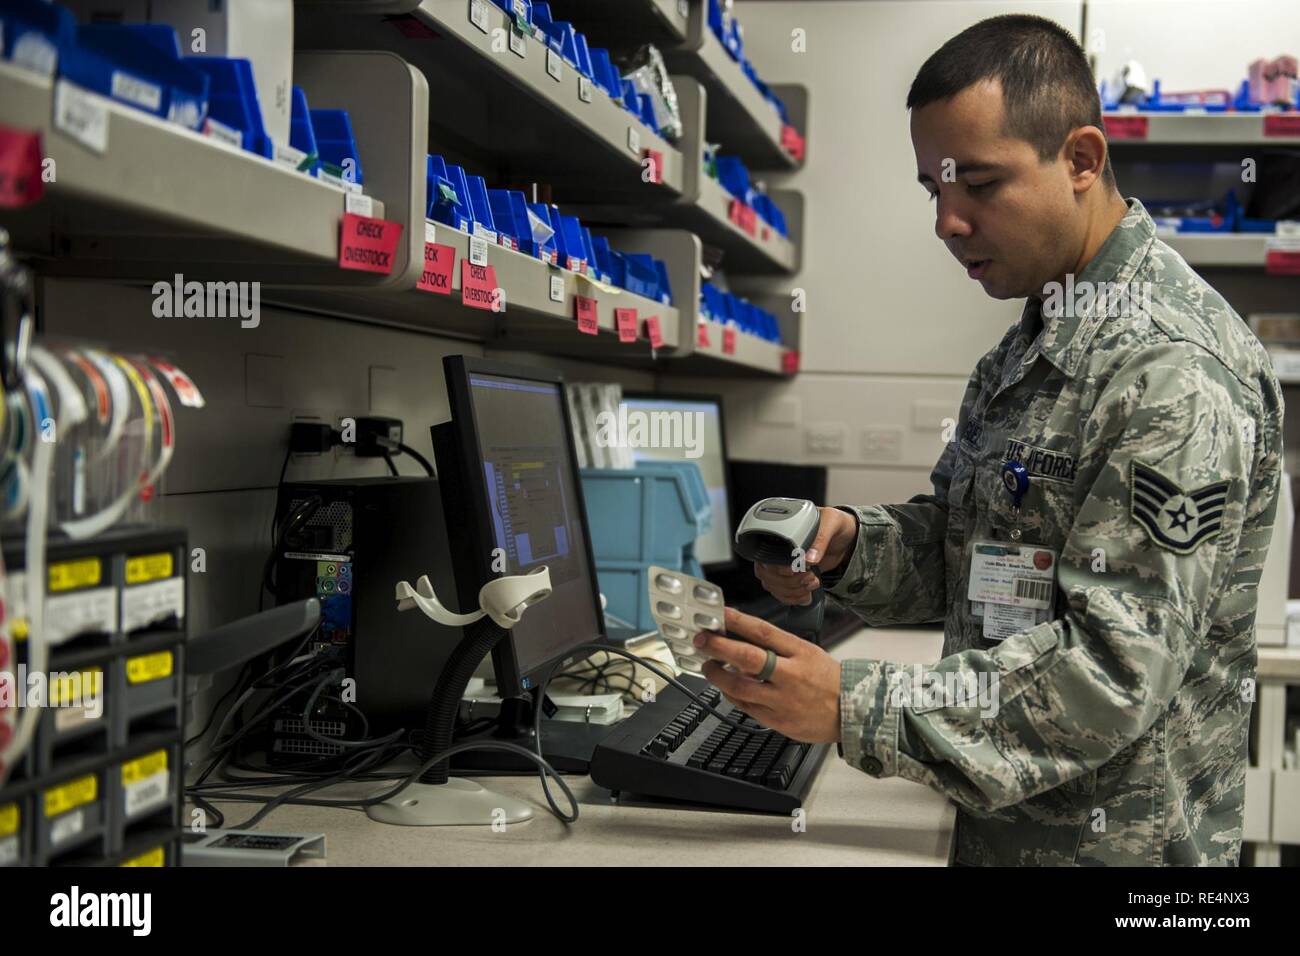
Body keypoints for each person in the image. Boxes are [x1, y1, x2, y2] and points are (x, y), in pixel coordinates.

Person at [693, 14, 1283, 866]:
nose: (947, 222)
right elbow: (981, 556)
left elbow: (1112, 675)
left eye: (979, 183)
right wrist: (849, 547)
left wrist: (852, 704)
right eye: (935, 190)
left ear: (1081, 159)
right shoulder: (1036, 340)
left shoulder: (1169, 372)